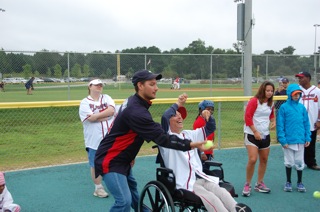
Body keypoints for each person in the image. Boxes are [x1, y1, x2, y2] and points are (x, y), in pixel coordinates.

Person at [94, 70, 206, 212]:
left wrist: (130, 156)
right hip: (111, 160)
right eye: (152, 84)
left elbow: (128, 132)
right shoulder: (136, 111)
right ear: (140, 86)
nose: (156, 87)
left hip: (121, 159)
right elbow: (162, 138)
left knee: (134, 198)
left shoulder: (133, 101)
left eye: (156, 84)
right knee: (124, 202)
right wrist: (189, 144)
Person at [159, 94, 251, 212]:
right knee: (212, 199)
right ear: (169, 121)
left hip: (202, 177)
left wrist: (208, 116)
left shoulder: (189, 134)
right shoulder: (165, 139)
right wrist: (178, 104)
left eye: (180, 115)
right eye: (175, 115)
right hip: (186, 183)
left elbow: (210, 128)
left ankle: (237, 209)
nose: (179, 117)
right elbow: (164, 117)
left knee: (222, 192)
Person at [79, 79, 115, 198]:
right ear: (90, 87)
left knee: (114, 161)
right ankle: (98, 188)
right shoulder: (84, 102)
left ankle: (115, 184)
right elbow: (90, 119)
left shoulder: (107, 98)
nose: (99, 87)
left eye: (101, 85)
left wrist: (96, 116)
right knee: (95, 164)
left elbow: (112, 110)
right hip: (94, 140)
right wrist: (105, 115)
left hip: (110, 138)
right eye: (97, 85)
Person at [242, 81, 276, 197]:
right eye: (267, 90)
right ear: (263, 90)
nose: (270, 93)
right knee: (252, 159)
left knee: (264, 159)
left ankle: (259, 183)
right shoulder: (254, 101)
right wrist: (255, 131)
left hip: (265, 135)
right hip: (251, 135)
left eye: (271, 91)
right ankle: (247, 184)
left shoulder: (271, 103)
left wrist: (273, 121)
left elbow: (271, 114)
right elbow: (248, 117)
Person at [276, 84, 311, 192]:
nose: (297, 96)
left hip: (300, 140)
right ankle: (288, 182)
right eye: (295, 94)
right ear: (290, 94)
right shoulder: (284, 107)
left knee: (300, 162)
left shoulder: (302, 108)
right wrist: (282, 139)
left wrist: (307, 137)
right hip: (288, 141)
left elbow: (306, 123)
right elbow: (280, 124)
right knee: (289, 161)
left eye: (298, 94)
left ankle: (300, 182)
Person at [295, 71, 320, 170]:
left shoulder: (317, 91)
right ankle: (299, 162)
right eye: (299, 78)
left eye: (302, 77)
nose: (300, 79)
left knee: (311, 143)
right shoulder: (297, 91)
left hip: (312, 121)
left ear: (308, 78)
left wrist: (319, 120)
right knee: (299, 143)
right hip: (299, 122)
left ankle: (311, 163)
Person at [193, 100, 216, 171]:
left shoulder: (209, 121)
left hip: (208, 151)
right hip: (202, 152)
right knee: (202, 171)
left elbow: (211, 136)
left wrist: (211, 151)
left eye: (212, 109)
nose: (210, 111)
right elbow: (197, 139)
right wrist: (202, 153)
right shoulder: (198, 122)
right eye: (208, 109)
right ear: (201, 110)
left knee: (207, 170)